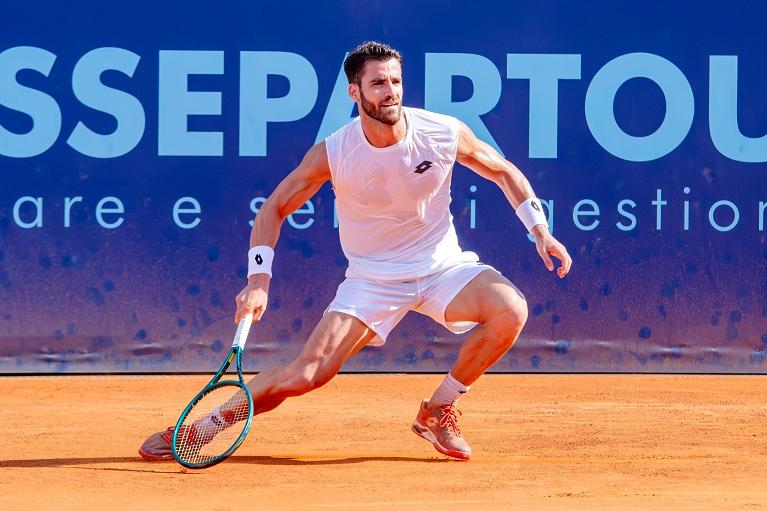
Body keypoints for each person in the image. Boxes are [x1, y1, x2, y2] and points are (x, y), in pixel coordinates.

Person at [139, 41, 571, 462]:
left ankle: (438, 409)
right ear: (355, 92)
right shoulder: (334, 152)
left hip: (443, 268)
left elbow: (503, 172)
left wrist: (540, 230)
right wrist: (258, 281)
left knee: (510, 310)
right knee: (306, 375)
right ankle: (200, 429)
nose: (391, 92)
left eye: (396, 81)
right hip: (372, 280)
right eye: (379, 83)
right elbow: (274, 209)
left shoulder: (442, 132)